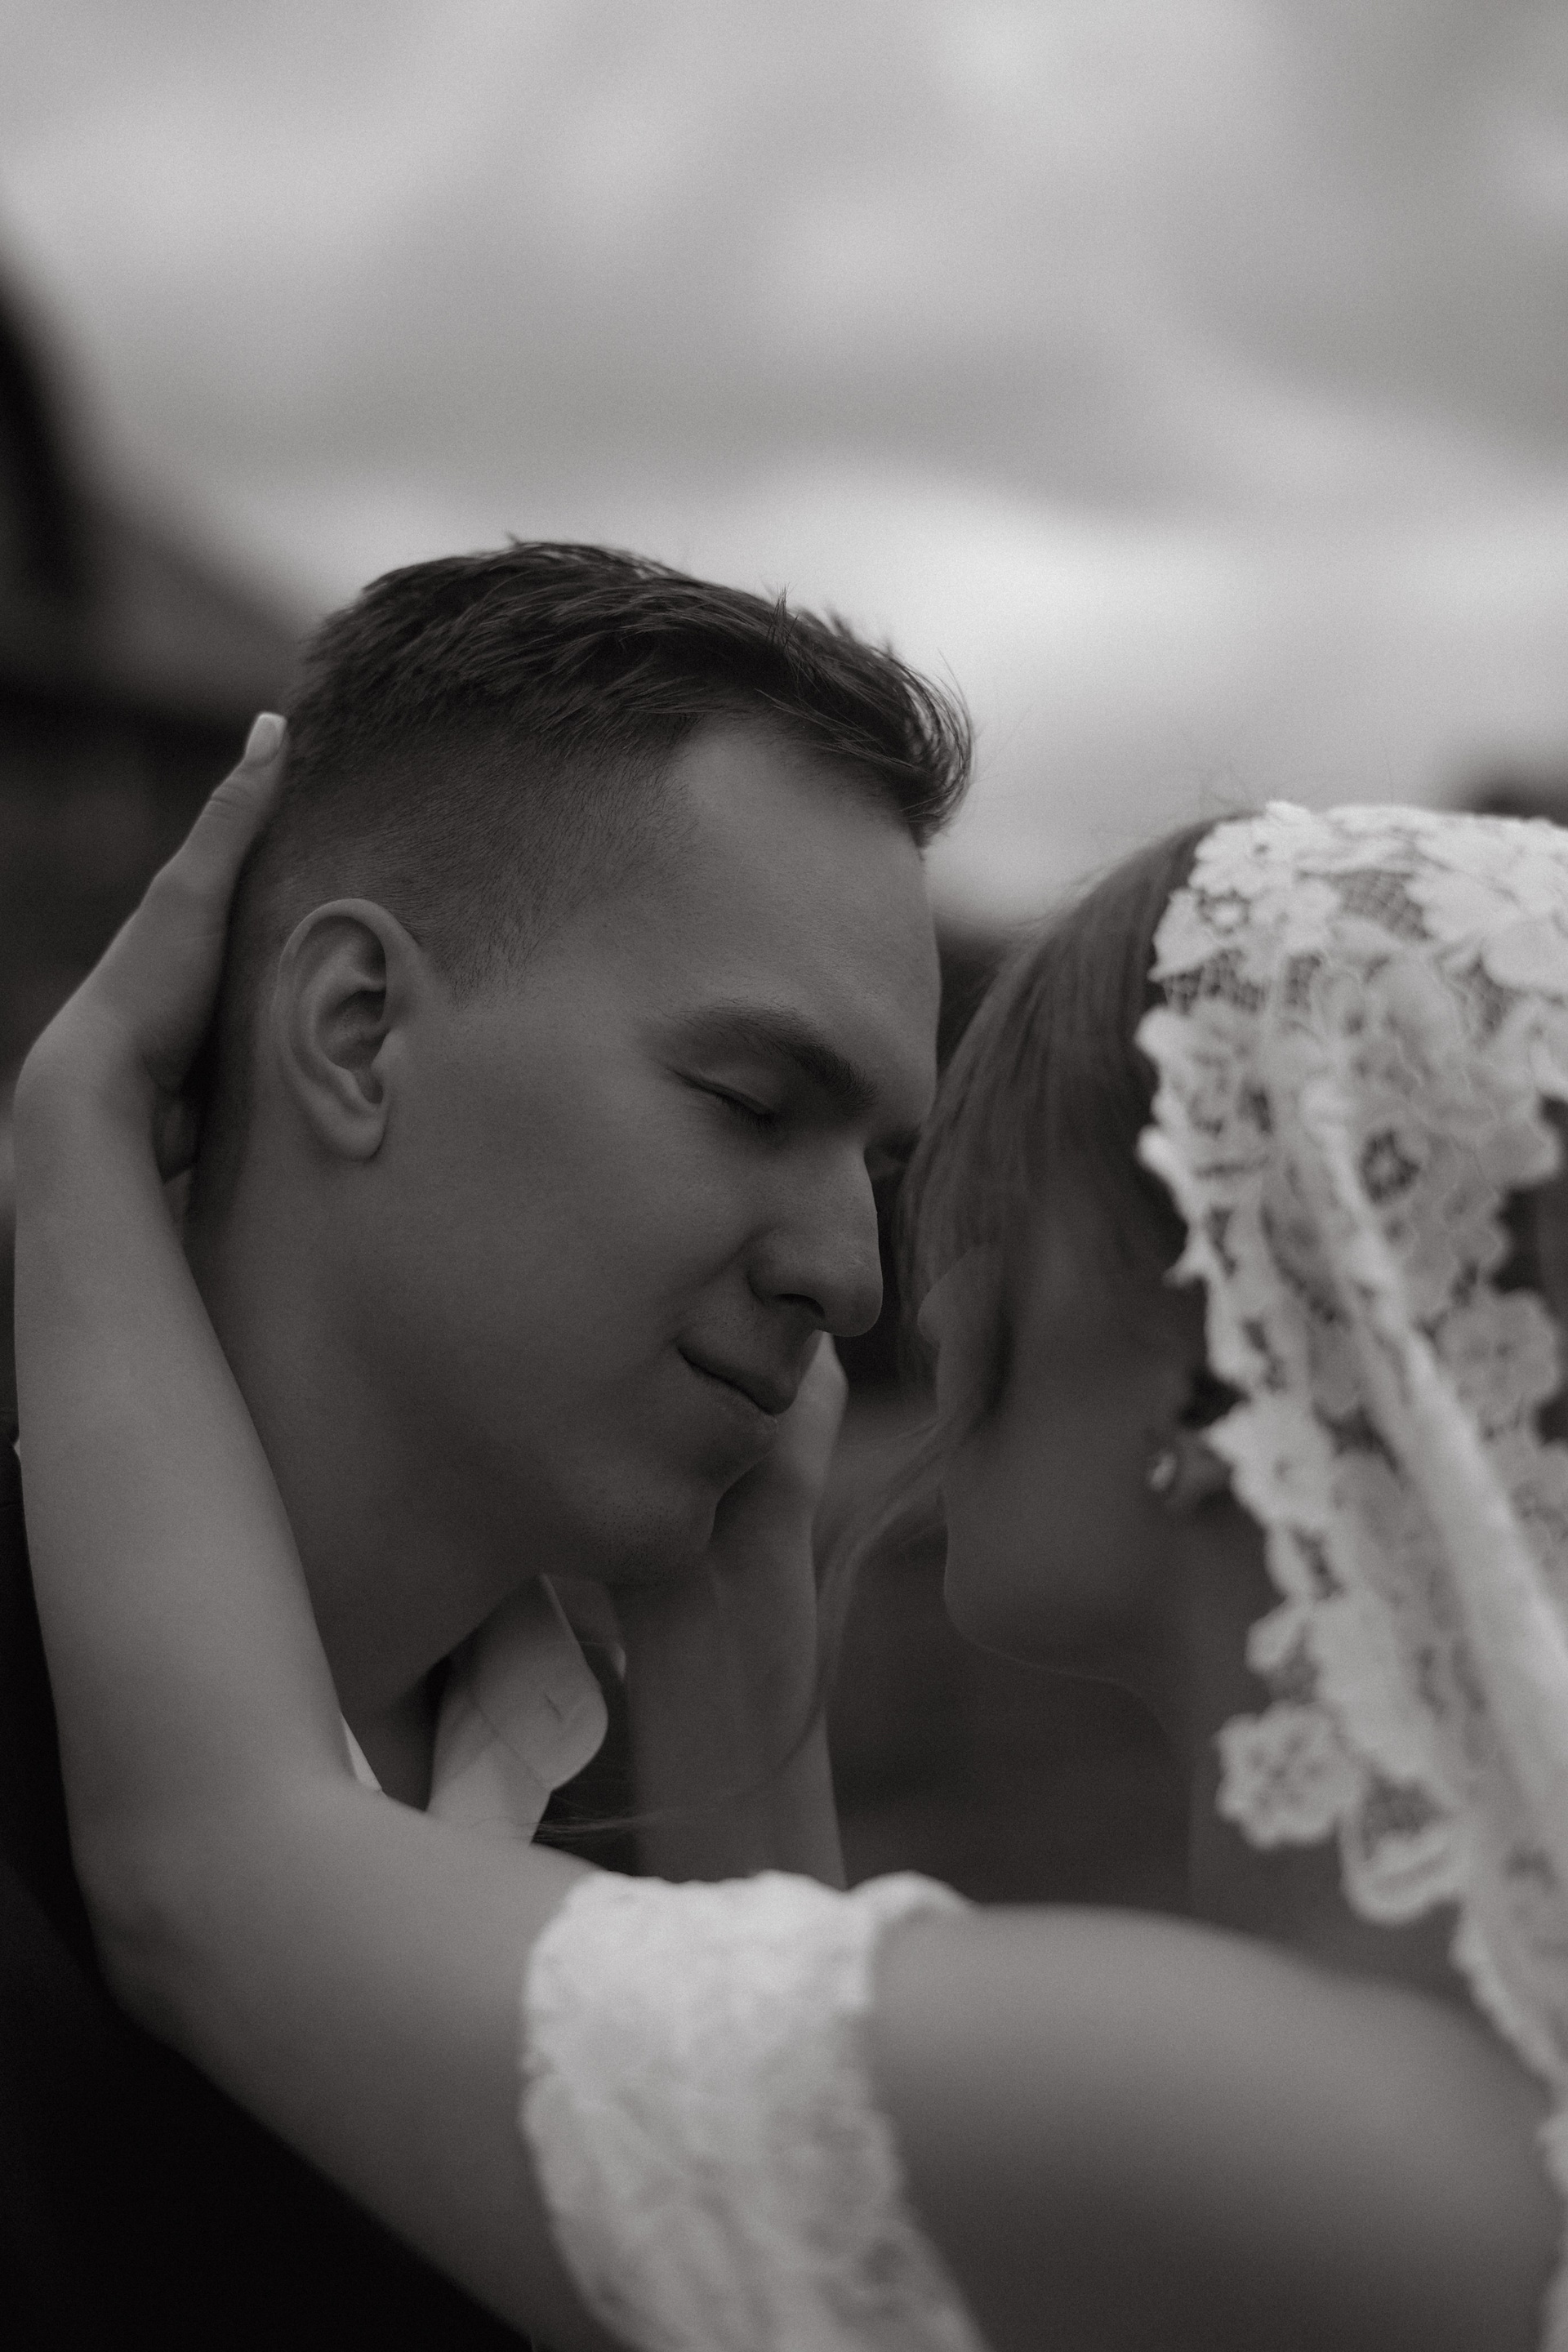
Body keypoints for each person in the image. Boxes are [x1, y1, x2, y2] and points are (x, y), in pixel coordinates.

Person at [16, 768, 1567, 2350]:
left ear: (1206, 1357)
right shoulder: (1450, 2079)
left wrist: (77, 1127)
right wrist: (725, 1584)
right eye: (754, 1109)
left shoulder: (1262, 2124)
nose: (893, 1294)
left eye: (989, 1206)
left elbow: (213, 1868)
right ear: (354, 1032)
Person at [0, 539, 968, 2346]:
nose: (851, 1275)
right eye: (753, 1102)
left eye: (878, 1166)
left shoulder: (660, 1856)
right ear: (358, 1032)